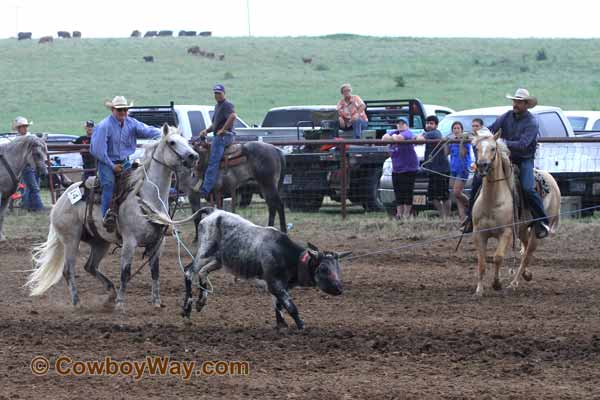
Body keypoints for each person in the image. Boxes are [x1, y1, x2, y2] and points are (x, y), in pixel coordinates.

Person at [477, 88, 549, 238]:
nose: (515, 104)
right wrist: (482, 135)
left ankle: (542, 221)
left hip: (524, 159)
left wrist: (502, 143)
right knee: (479, 180)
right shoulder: (506, 116)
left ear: (526, 104)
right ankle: (471, 219)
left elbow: (523, 144)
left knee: (527, 187)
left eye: (519, 102)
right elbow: (491, 129)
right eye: (515, 101)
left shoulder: (532, 122)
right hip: (505, 158)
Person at [90, 96, 161, 231]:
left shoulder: (131, 123)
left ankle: (139, 214)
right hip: (106, 162)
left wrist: (165, 133)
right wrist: (112, 166)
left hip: (124, 161)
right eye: (120, 109)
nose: (123, 112)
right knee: (109, 185)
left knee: (138, 182)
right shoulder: (104, 126)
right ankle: (106, 217)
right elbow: (98, 151)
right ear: (113, 110)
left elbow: (147, 130)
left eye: (125, 109)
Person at [197, 84, 237, 199]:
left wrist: (223, 130)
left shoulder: (227, 105)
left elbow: (233, 116)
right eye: (215, 93)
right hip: (219, 135)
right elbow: (215, 124)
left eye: (219, 93)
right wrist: (206, 130)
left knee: (213, 161)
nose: (217, 95)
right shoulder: (218, 106)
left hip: (225, 136)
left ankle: (205, 190)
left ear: (224, 93)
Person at [382, 117, 418, 219]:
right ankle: (399, 214)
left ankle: (406, 214)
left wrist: (393, 136)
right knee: (398, 191)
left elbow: (399, 139)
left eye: (403, 123)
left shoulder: (408, 133)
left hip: (409, 167)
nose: (401, 125)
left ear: (407, 125)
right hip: (397, 168)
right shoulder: (395, 132)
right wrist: (393, 135)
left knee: (407, 191)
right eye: (399, 123)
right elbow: (384, 138)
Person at [417, 115, 451, 219]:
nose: (429, 125)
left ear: (436, 125)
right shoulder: (430, 133)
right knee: (433, 196)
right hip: (433, 169)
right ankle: (443, 216)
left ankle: (446, 216)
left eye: (431, 123)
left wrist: (421, 134)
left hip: (441, 169)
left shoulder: (434, 133)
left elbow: (419, 139)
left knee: (444, 195)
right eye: (427, 123)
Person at [13, 116, 44, 212]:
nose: (25, 128)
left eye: (26, 126)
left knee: (31, 187)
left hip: (34, 165)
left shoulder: (29, 137)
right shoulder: (18, 139)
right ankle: (38, 207)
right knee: (34, 188)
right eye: (23, 126)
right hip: (26, 166)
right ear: (19, 128)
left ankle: (28, 206)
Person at [448, 121, 472, 221]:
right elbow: (446, 152)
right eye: (454, 128)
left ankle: (471, 205)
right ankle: (462, 217)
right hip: (453, 169)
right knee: (456, 194)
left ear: (461, 130)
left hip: (462, 169)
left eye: (458, 128)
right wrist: (446, 142)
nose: (456, 130)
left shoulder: (465, 140)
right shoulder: (452, 141)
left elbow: (463, 154)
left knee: (457, 192)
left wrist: (461, 142)